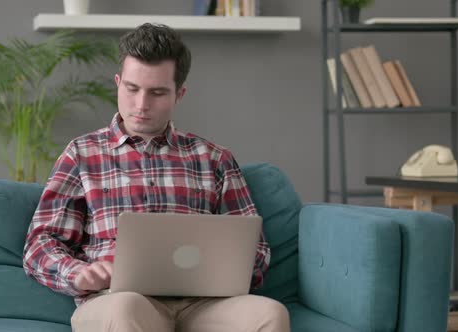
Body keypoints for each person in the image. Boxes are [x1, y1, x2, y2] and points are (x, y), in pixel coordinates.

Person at [23, 23, 290, 332]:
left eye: (157, 92)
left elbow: (256, 250)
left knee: (270, 314)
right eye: (132, 89)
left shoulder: (215, 159)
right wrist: (77, 273)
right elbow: (40, 244)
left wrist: (234, 269)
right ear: (118, 83)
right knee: (125, 309)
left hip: (204, 304)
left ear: (179, 93)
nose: (141, 105)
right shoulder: (81, 154)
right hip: (117, 299)